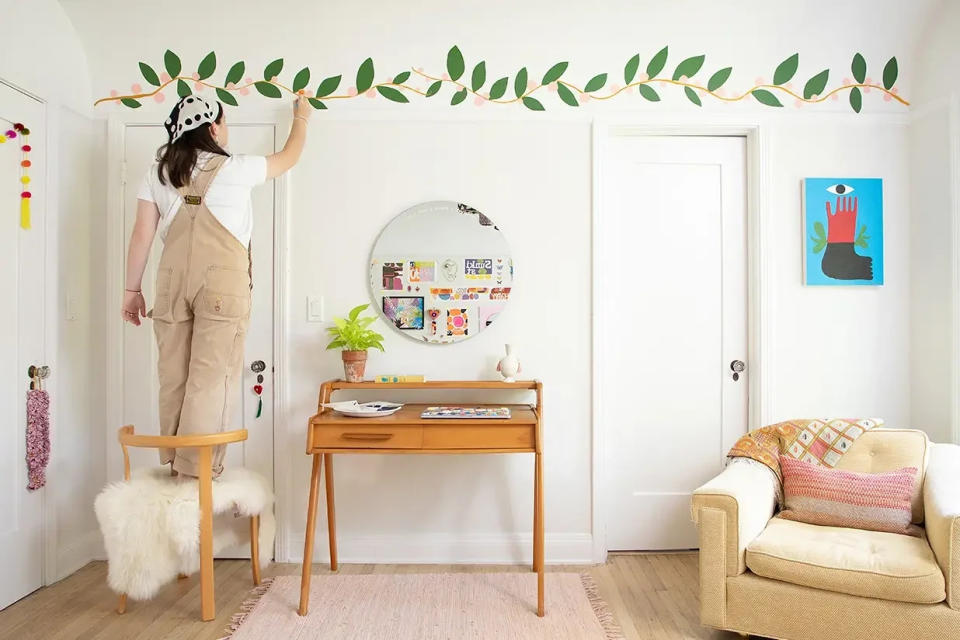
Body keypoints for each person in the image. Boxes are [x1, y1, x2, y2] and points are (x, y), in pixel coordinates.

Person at [121, 94, 312, 477]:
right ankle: (199, 472)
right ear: (211, 128)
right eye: (224, 123)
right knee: (212, 377)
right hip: (222, 285)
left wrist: (131, 290)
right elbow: (289, 157)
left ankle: (176, 464)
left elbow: (142, 234)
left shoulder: (159, 172)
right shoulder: (236, 168)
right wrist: (302, 118)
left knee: (173, 377)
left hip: (171, 283)